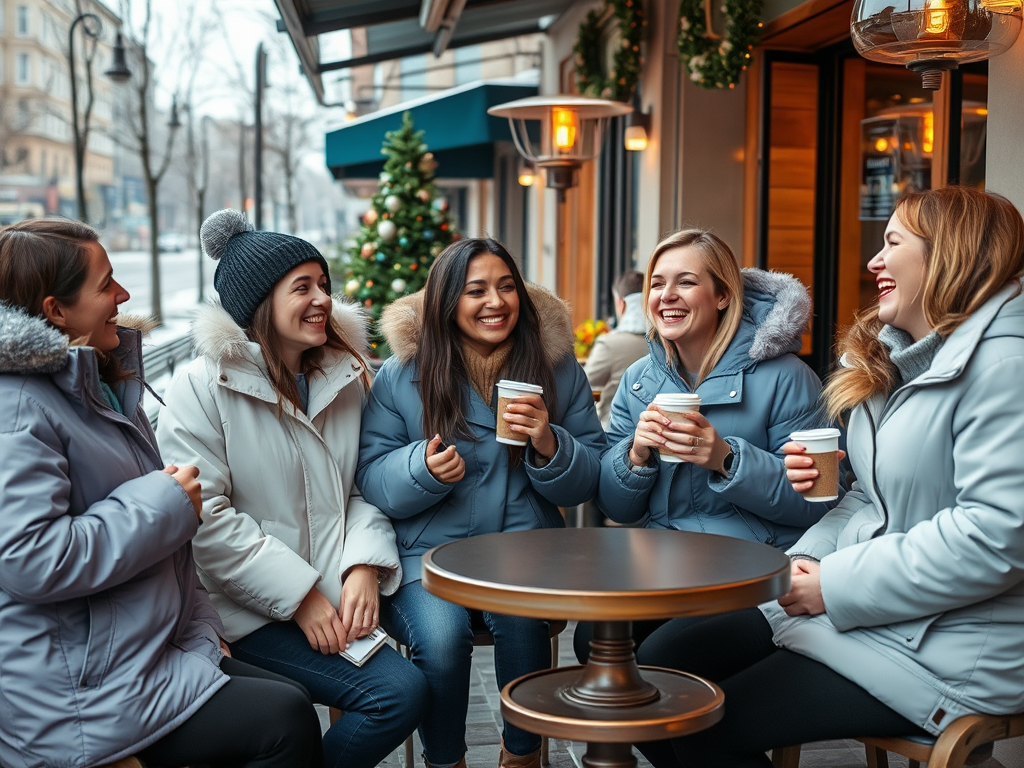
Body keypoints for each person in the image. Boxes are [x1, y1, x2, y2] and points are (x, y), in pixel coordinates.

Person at [641, 186, 1024, 768]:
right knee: (654, 671)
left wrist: (832, 583)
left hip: (948, 649)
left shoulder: (1005, 366)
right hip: (871, 610)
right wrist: (806, 563)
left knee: (690, 721)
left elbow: (996, 538)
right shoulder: (898, 359)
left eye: (892, 242)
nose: (873, 260)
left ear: (949, 253)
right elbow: (866, 500)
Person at [0, 219, 322, 768]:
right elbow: (29, 559)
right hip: (75, 690)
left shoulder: (100, 384)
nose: (123, 296)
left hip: (139, 651)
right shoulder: (19, 409)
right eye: (105, 285)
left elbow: (162, 550)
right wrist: (163, 502)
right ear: (55, 311)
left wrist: (201, 628)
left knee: (290, 705)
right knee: (285, 721)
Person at [157, 210, 427, 768]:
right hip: (242, 612)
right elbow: (204, 518)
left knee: (408, 689)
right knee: (393, 695)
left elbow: (361, 488)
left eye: (323, 284)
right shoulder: (201, 385)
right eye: (301, 287)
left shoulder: (345, 376)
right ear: (259, 304)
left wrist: (363, 568)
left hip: (333, 593)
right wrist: (301, 598)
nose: (322, 299)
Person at [357, 237, 605, 768]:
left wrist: (549, 443)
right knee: (442, 642)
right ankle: (445, 760)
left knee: (520, 622)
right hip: (427, 559)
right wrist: (419, 470)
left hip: (524, 550)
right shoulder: (403, 375)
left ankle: (522, 754)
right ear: (448, 302)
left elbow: (588, 480)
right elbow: (372, 478)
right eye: (476, 290)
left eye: (506, 286)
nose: (495, 301)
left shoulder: (557, 370)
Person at [575, 229, 832, 663]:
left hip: (752, 571)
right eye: (657, 283)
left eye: (686, 282)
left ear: (723, 296)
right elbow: (619, 509)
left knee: (663, 656)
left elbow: (818, 503)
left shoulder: (787, 377)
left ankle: (691, 730)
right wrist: (635, 456)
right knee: (595, 642)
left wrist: (726, 460)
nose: (667, 295)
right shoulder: (639, 382)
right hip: (664, 565)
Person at [584, 269, 649, 428]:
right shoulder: (667, 343)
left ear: (621, 303)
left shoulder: (609, 344)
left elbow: (581, 386)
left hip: (615, 435)